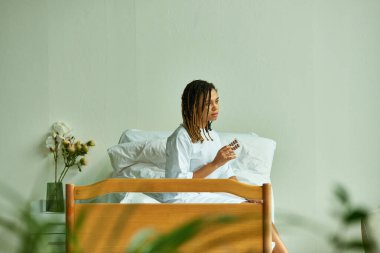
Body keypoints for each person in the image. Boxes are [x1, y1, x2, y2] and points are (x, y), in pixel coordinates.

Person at [165, 79, 289, 253]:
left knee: (260, 208)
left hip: (205, 196)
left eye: (217, 101)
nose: (215, 107)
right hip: (184, 200)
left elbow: (227, 174)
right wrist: (215, 163)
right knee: (254, 212)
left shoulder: (213, 136)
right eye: (208, 104)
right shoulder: (181, 138)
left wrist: (247, 195)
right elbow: (176, 185)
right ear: (193, 106)